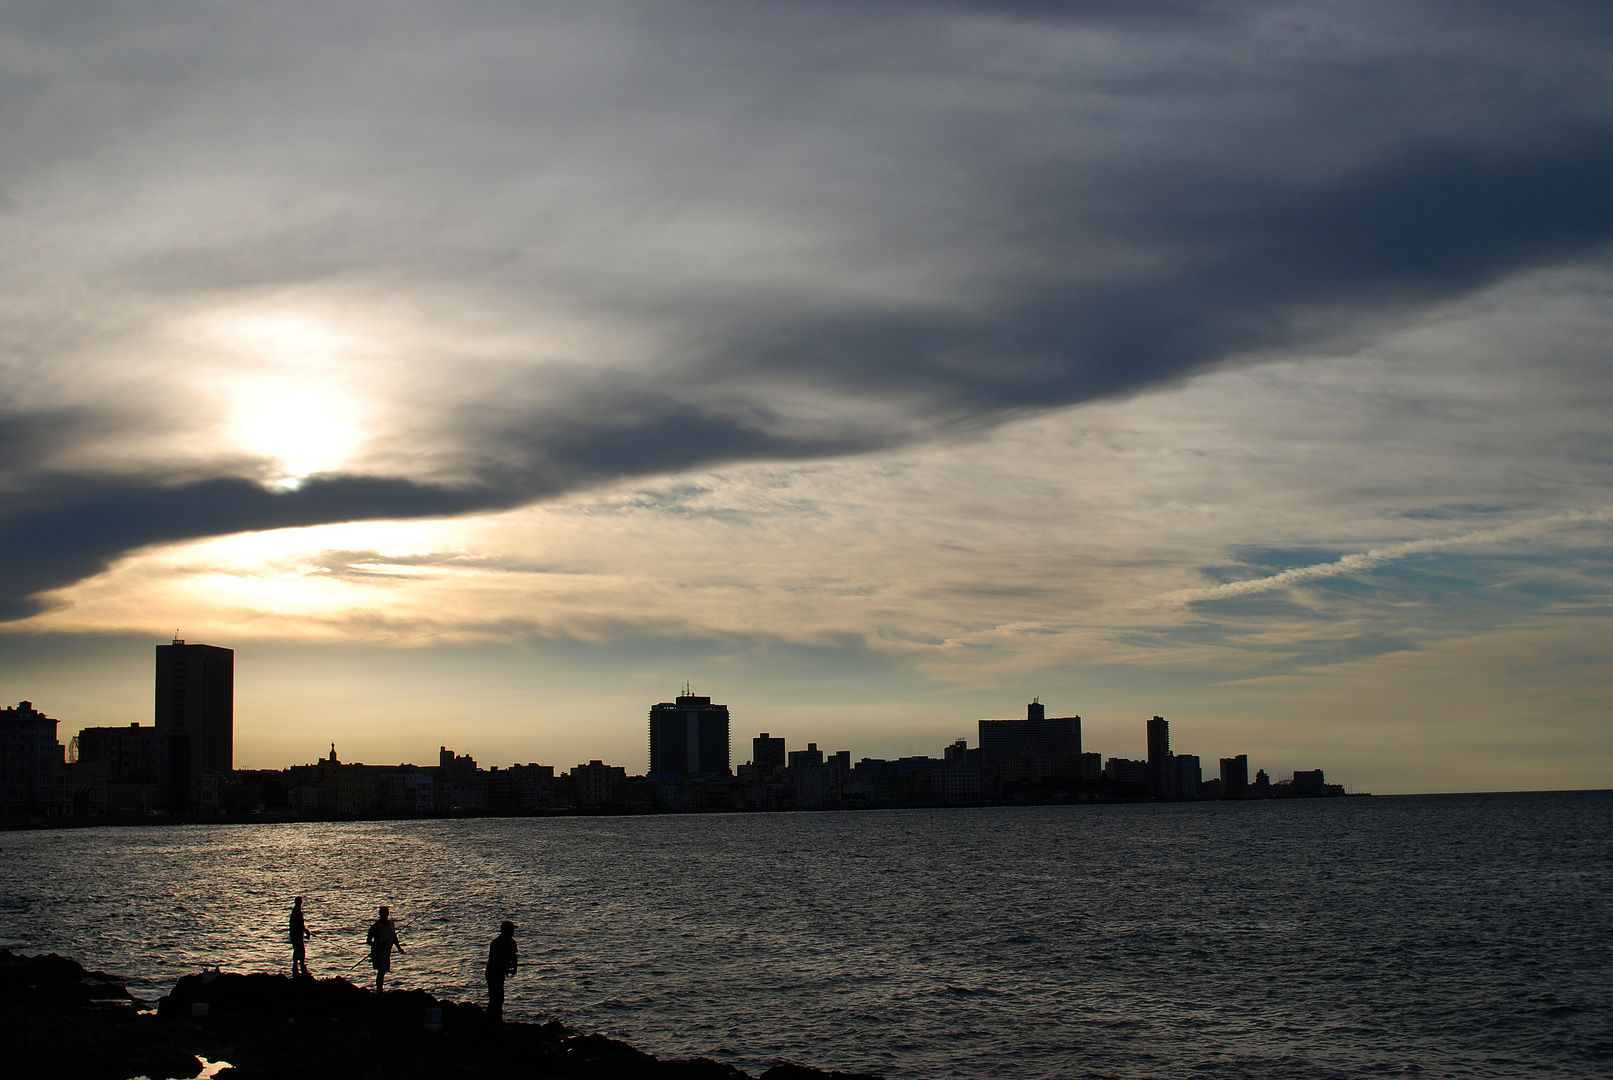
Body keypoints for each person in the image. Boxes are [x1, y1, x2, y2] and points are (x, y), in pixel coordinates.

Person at [365, 905, 405, 994]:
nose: (384, 915)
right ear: (380, 914)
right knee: (381, 970)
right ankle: (379, 991)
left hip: (387, 951)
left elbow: (394, 937)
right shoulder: (375, 926)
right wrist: (376, 945)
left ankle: (380, 990)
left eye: (386, 913)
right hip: (378, 951)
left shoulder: (391, 924)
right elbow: (368, 940)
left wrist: (399, 948)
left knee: (384, 971)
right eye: (383, 913)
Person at [485, 920, 518, 1023]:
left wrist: (514, 967)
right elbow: (493, 959)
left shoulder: (512, 942)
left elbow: (513, 957)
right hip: (493, 973)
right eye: (511, 929)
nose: (513, 932)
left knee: (499, 998)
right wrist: (503, 964)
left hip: (501, 973)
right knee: (496, 998)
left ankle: (492, 1020)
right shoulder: (496, 943)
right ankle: (494, 1021)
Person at [289, 897, 316, 977]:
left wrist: (305, 931)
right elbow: (300, 925)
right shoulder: (297, 912)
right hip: (296, 935)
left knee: (297, 951)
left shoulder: (295, 912)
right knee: (300, 951)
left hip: (295, 935)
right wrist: (306, 931)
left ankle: (296, 969)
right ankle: (301, 970)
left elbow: (299, 925)